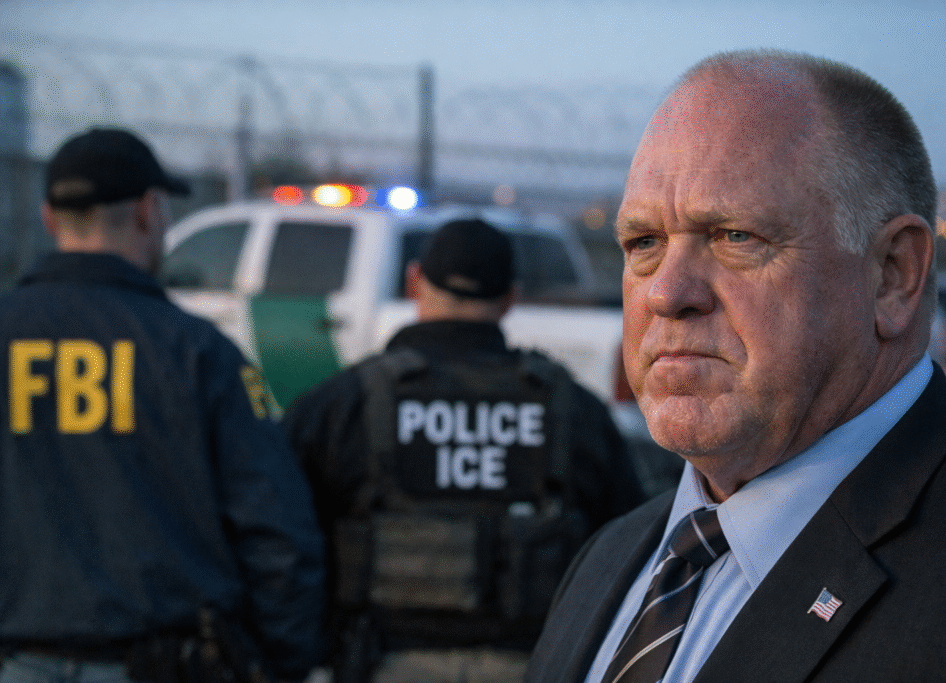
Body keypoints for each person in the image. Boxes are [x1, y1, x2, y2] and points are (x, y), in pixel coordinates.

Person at [525, 49, 946, 683]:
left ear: (893, 277)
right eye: (643, 243)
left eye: (736, 236)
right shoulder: (610, 557)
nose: (666, 293)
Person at [0, 127, 327, 683]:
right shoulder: (199, 354)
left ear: (50, 219)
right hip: (163, 663)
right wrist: (283, 662)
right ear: (150, 213)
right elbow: (277, 533)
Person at [284, 218, 646, 683]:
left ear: (415, 282)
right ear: (511, 298)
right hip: (532, 663)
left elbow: (282, 536)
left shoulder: (342, 403)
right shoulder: (573, 410)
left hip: (381, 661)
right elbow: (627, 544)